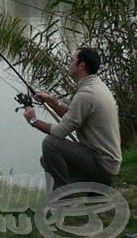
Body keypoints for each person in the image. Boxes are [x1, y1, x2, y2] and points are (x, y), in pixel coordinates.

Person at [22, 46, 122, 192]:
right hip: (107, 162)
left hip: (102, 164)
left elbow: (59, 132)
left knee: (51, 144)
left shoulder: (86, 94)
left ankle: (64, 200)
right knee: (47, 160)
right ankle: (96, 190)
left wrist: (33, 121)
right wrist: (52, 101)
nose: (69, 63)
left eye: (72, 60)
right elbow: (73, 116)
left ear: (82, 65)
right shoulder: (97, 86)